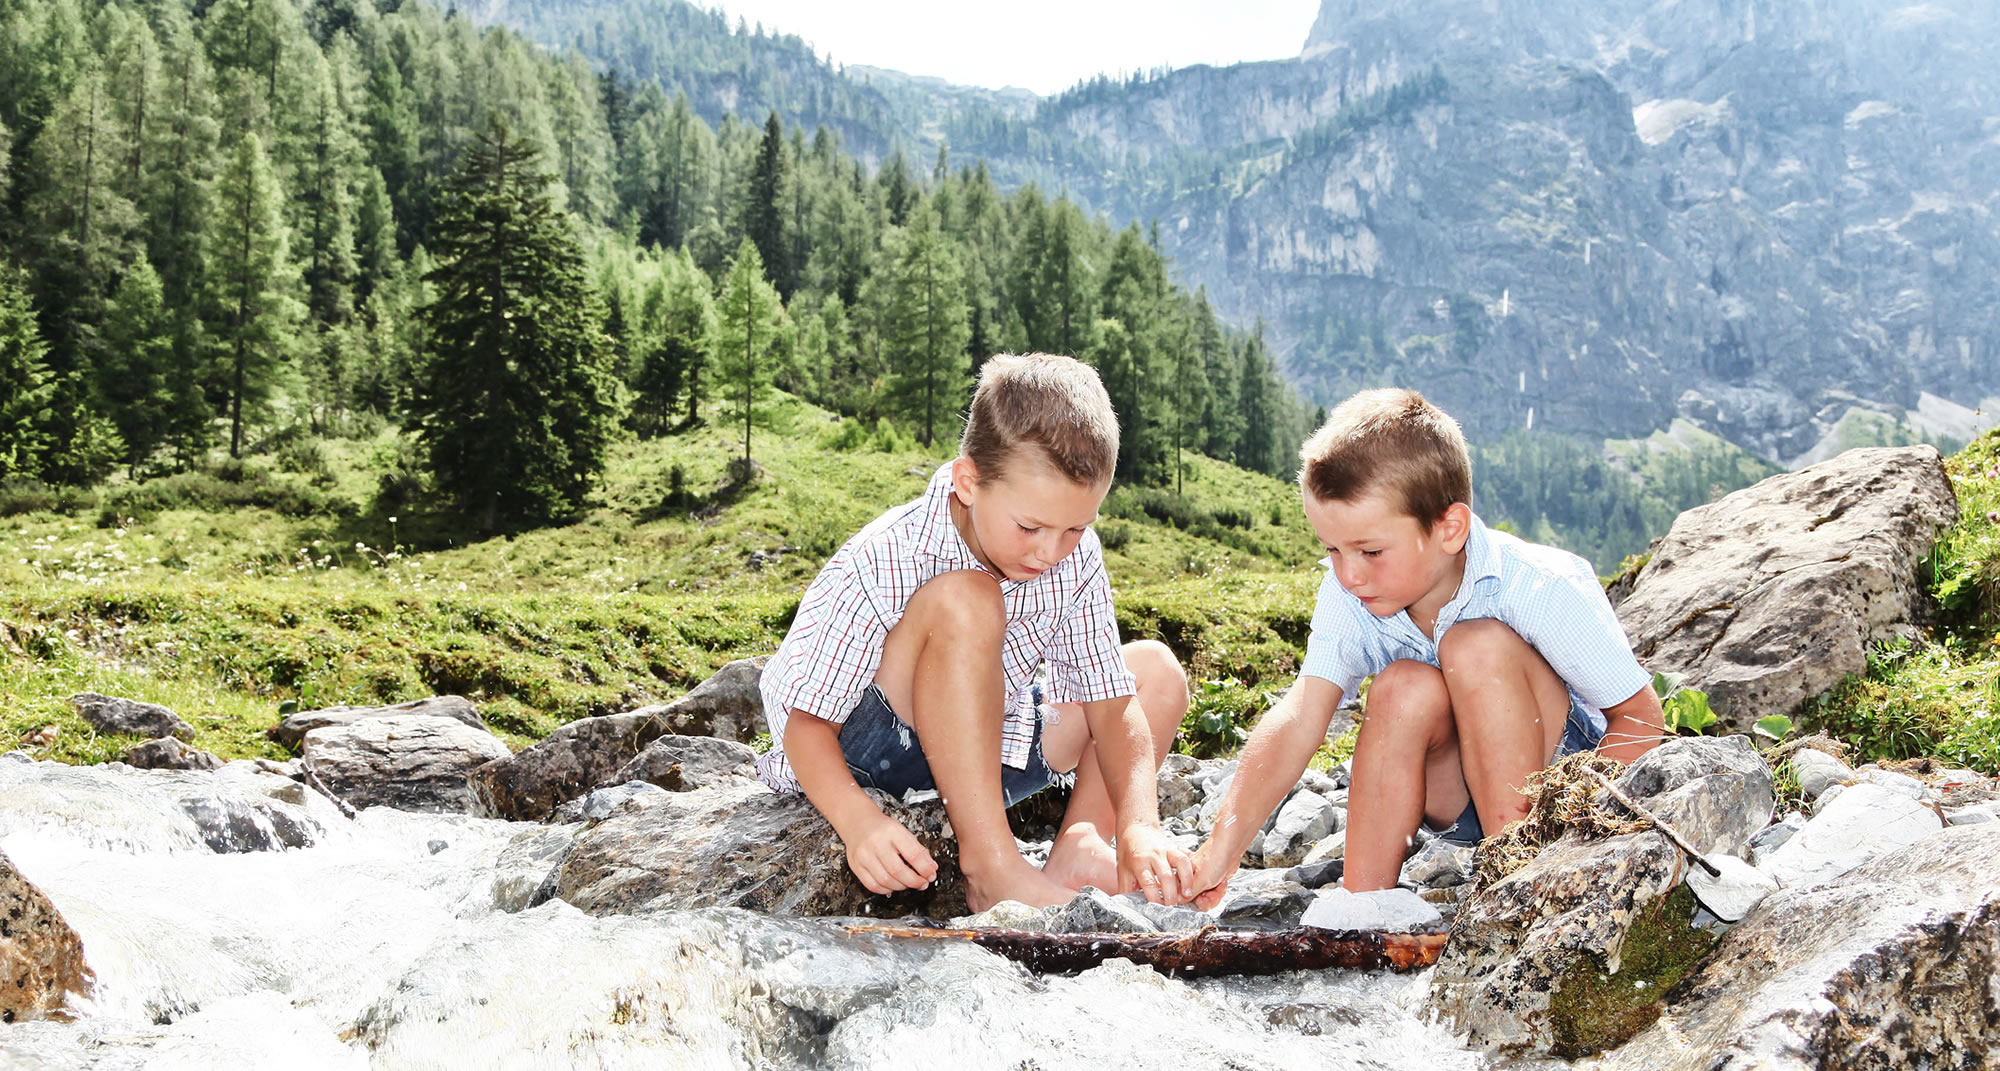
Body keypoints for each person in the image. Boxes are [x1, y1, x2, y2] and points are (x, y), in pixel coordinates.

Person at [1187, 388, 1665, 907]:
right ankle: (1363, 909)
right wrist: (1221, 849)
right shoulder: (1350, 592)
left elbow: (1640, 717)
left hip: (1559, 782)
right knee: (1402, 686)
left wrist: (1576, 824)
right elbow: (1303, 714)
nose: (1349, 575)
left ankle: (1516, 882)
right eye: (1332, 549)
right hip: (1457, 800)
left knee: (1473, 644)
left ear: (1450, 529)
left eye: (1370, 551)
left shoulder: (1538, 584)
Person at [756, 352, 1194, 912]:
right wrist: (858, 823)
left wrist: (1141, 824)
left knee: (1153, 672)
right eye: (1030, 526)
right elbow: (803, 725)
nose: (1050, 551)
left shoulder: (1072, 554)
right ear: (969, 482)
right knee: (969, 598)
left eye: (1075, 528)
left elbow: (1110, 702)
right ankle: (990, 865)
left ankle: (1082, 844)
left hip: (984, 754)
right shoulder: (889, 553)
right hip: (869, 754)